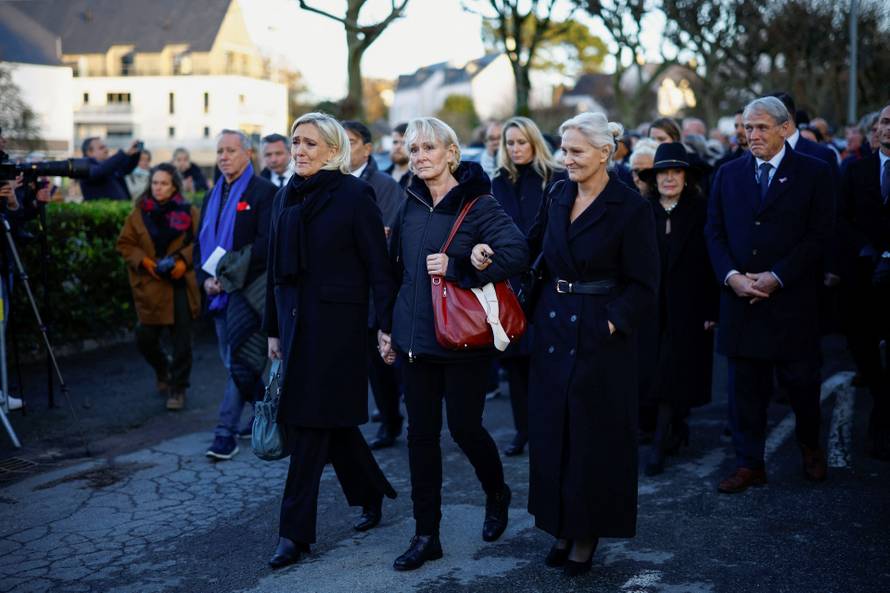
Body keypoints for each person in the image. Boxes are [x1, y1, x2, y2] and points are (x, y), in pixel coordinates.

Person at [379, 116, 527, 571]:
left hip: (464, 339)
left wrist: (460, 265)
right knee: (420, 438)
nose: (419, 156)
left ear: (450, 153)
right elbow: (393, 272)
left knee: (465, 429)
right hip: (413, 341)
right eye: (413, 148)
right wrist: (385, 328)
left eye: (429, 148)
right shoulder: (406, 201)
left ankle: (496, 492)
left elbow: (518, 253)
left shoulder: (479, 204)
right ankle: (427, 534)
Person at [525, 111, 658, 577]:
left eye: (577, 151)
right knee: (553, 434)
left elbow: (644, 284)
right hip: (553, 329)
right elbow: (532, 248)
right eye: (564, 150)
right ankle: (561, 524)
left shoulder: (631, 207)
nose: (567, 159)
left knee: (592, 441)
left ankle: (587, 533)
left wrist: (610, 324)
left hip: (602, 338)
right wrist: (484, 253)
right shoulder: (558, 191)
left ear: (606, 152)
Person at [263, 112, 398, 569]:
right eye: (295, 142)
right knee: (331, 425)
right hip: (294, 326)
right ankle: (371, 492)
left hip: (338, 330)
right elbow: (273, 273)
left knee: (308, 428)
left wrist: (386, 324)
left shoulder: (355, 195)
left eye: (309, 144)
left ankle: (293, 534)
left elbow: (379, 267)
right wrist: (273, 331)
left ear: (334, 150)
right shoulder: (285, 196)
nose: (299, 150)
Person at [705, 96, 834, 493]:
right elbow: (714, 232)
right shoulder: (728, 174)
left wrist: (778, 276)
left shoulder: (814, 172)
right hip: (741, 302)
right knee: (744, 390)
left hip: (792, 301)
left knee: (801, 384)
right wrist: (731, 277)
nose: (753, 135)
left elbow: (821, 235)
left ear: (785, 128)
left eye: (761, 127)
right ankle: (749, 464)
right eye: (747, 127)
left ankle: (810, 446)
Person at [636, 143, 718, 475]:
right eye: (663, 173)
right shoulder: (642, 211)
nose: (669, 178)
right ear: (654, 178)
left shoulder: (701, 209)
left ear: (686, 176)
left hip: (689, 304)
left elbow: (712, 261)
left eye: (676, 171)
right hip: (649, 306)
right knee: (652, 370)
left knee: (675, 370)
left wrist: (712, 307)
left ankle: (660, 442)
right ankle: (671, 430)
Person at [194, 130, 276, 460]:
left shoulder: (264, 192)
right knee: (235, 362)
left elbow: (264, 245)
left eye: (230, 150)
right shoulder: (212, 194)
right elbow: (202, 243)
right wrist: (206, 279)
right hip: (217, 292)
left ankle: (224, 433)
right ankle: (263, 412)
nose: (224, 157)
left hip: (247, 293)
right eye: (219, 151)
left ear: (248, 154)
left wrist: (225, 276)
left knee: (238, 363)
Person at [491, 115, 565, 456]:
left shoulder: (555, 178)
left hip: (546, 282)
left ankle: (552, 428)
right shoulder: (497, 183)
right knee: (516, 364)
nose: (516, 148)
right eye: (510, 143)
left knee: (547, 362)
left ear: (535, 142)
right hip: (507, 285)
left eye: (522, 141)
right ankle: (523, 430)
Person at [341, 119, 406, 449]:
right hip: (343, 288)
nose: (344, 147)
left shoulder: (382, 184)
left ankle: (391, 420)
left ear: (368, 148)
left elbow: (387, 235)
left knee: (380, 362)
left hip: (373, 288)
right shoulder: (333, 182)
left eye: (351, 141)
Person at [116, 163, 200, 410]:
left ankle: (178, 388)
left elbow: (202, 241)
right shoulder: (139, 213)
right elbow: (125, 244)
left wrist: (183, 261)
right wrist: (144, 261)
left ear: (174, 186)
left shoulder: (190, 211)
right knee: (145, 337)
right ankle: (163, 369)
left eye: (164, 183)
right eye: (155, 183)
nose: (158, 188)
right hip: (151, 283)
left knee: (182, 341)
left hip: (180, 283)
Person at [838, 103, 890, 460]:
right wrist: (866, 249)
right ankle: (881, 399)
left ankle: (880, 422)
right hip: (863, 277)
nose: (889, 128)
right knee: (863, 347)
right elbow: (839, 219)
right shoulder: (856, 171)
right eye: (886, 122)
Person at [79, 137, 142, 201]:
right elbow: (99, 171)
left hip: (121, 208)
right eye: (101, 148)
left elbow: (127, 168)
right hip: (103, 210)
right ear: (89, 152)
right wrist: (123, 153)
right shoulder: (82, 165)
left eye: (105, 147)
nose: (106, 150)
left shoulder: (108, 166)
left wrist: (135, 153)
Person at [385, 122, 412, 189]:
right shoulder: (382, 176)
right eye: (395, 142)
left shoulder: (419, 179)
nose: (398, 147)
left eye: (403, 143)